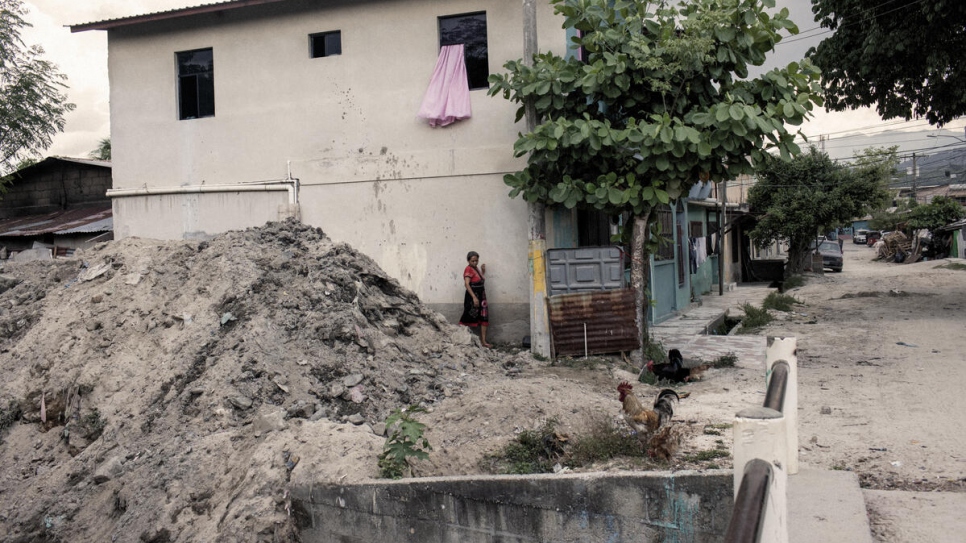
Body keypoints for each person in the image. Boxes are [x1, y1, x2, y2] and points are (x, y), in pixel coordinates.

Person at [458, 251, 490, 347]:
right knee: (467, 315)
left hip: (482, 296)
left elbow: (478, 279)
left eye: (476, 260)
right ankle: (461, 338)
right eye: (473, 261)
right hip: (473, 296)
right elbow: (467, 284)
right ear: (468, 261)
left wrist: (482, 271)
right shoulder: (468, 269)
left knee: (484, 316)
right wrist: (474, 298)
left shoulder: (476, 269)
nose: (475, 263)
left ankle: (483, 341)